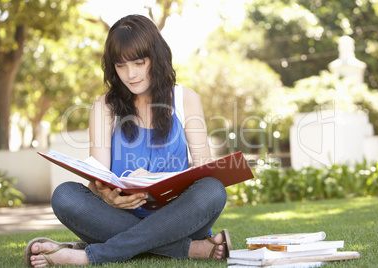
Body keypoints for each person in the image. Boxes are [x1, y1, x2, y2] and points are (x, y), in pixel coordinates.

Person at [24, 14, 232, 267]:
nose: (130, 74)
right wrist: (107, 196)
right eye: (121, 65)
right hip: (117, 216)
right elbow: (97, 178)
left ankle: (89, 255)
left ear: (156, 58)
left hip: (178, 218)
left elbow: (204, 169)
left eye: (138, 62)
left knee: (212, 189)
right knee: (65, 195)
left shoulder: (185, 99)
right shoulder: (105, 107)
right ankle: (192, 249)